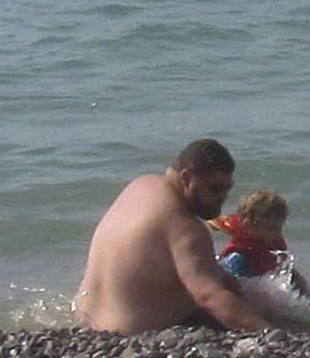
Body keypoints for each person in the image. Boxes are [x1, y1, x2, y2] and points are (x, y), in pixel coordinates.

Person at [74, 138, 263, 334]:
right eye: (214, 189)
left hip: (87, 324)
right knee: (253, 310)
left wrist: (216, 272)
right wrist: (274, 335)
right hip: (131, 335)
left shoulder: (141, 187)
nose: (222, 197)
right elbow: (209, 297)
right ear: (187, 178)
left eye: (227, 189)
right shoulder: (185, 226)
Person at [211, 188, 310, 326]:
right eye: (271, 228)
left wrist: (306, 291)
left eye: (280, 228)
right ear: (248, 223)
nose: (277, 234)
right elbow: (227, 287)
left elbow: (288, 272)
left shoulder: (271, 246)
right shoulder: (237, 257)